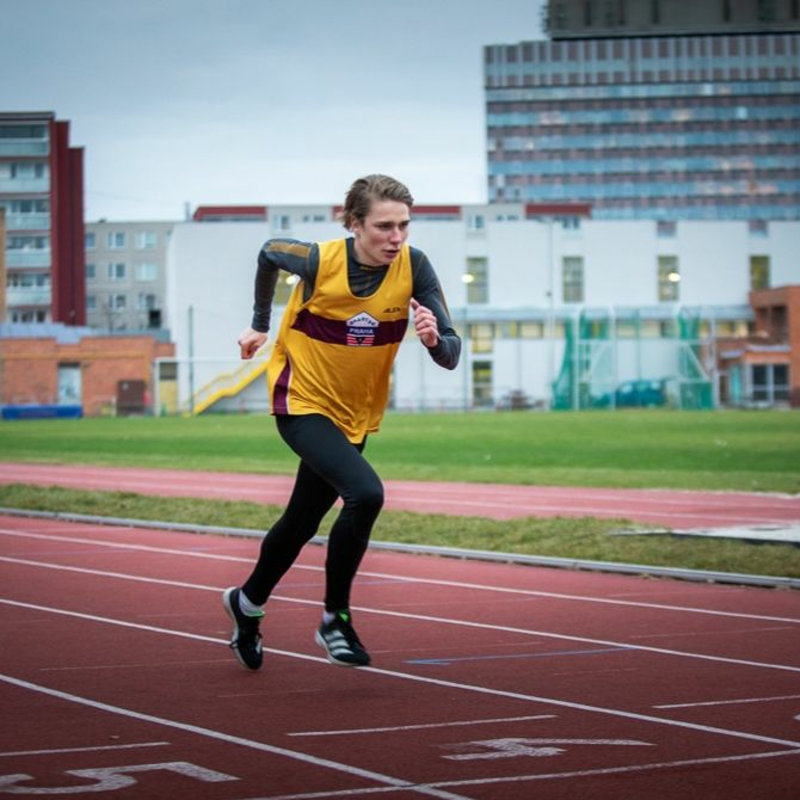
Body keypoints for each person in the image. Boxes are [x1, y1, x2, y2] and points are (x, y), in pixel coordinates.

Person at [223, 174, 461, 670]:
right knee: (366, 494)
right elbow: (268, 251)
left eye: (404, 226)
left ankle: (246, 603)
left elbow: (452, 355)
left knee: (302, 519)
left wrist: (434, 338)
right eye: (384, 226)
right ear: (354, 224)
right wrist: (260, 325)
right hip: (302, 402)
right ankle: (335, 619)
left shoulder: (415, 268)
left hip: (355, 415)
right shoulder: (317, 260)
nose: (397, 237)